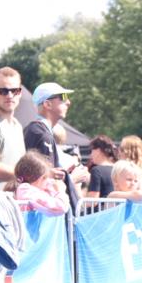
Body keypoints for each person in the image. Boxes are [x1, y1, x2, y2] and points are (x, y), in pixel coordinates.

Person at [24, 82, 89, 211]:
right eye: (63, 97)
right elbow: (42, 182)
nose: (68, 102)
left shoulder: (39, 131)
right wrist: (72, 179)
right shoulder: (40, 133)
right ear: (47, 104)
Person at [11, 151, 69, 216]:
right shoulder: (25, 190)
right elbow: (60, 207)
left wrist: (52, 188)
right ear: (36, 177)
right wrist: (60, 191)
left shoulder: (36, 189)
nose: (48, 181)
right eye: (45, 177)